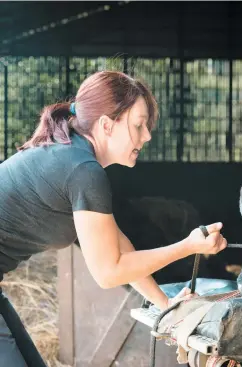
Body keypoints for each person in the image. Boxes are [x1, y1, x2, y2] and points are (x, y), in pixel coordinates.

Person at [0, 70, 227, 366]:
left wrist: (166, 305)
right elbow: (109, 272)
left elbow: (120, 250)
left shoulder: (75, 160)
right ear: (107, 125)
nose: (146, 136)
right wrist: (188, 246)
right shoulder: (83, 170)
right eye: (139, 125)